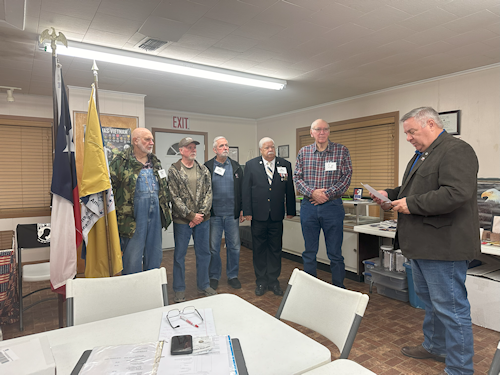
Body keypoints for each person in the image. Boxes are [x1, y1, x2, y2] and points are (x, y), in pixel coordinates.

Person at [370, 107, 479, 375]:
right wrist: (390, 194)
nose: (408, 138)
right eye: (406, 133)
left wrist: (410, 204)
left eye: (411, 132)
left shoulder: (455, 150)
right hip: (421, 245)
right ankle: (435, 346)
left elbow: (456, 193)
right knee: (431, 303)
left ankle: (460, 368)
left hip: (443, 247)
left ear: (430, 123)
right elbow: (413, 191)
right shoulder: (421, 156)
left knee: (452, 309)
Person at [293, 119, 352, 288]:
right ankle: (310, 287)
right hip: (309, 207)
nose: (322, 132)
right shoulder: (304, 152)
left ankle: (338, 287)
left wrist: (326, 194)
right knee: (309, 251)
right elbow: (297, 178)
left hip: (332, 207)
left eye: (325, 129)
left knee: (335, 253)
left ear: (329, 132)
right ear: (311, 132)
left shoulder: (341, 151)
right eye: (318, 129)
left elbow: (346, 178)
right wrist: (312, 193)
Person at [109, 128, 171, 275]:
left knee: (155, 252)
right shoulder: (120, 162)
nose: (151, 143)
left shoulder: (155, 162)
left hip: (155, 212)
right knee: (133, 255)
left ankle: (152, 287)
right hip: (132, 216)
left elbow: (164, 186)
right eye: (147, 139)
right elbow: (110, 190)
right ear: (135, 141)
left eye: (152, 140)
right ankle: (132, 292)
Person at [242, 137, 296, 296]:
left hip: (277, 215)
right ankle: (261, 281)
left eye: (272, 147)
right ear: (261, 150)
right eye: (267, 147)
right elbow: (246, 190)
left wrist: (291, 210)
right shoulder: (251, 165)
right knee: (259, 249)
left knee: (275, 249)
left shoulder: (285, 165)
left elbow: (289, 189)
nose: (271, 150)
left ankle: (273, 281)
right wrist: (247, 212)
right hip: (258, 215)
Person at [168, 137, 215, 303]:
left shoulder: (203, 169)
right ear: (181, 150)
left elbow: (209, 193)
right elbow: (174, 196)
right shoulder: (174, 170)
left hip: (203, 220)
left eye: (194, 147)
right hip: (183, 221)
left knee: (203, 253)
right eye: (189, 147)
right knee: (180, 256)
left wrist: (200, 214)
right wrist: (191, 216)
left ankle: (204, 284)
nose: (193, 150)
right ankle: (179, 289)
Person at [205, 136, 244, 290]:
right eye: (222, 146)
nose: (225, 148)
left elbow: (242, 191)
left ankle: (232, 275)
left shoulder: (236, 167)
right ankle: (214, 276)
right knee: (214, 247)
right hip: (214, 215)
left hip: (231, 215)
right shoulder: (207, 167)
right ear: (215, 149)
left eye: (227, 145)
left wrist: (242, 209)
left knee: (234, 247)